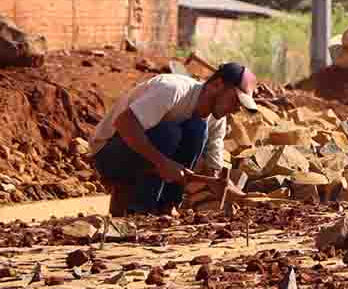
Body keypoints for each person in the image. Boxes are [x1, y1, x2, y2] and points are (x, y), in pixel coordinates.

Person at [89, 62, 258, 215]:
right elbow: (124, 123)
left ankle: (166, 207)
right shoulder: (172, 90)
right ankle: (140, 210)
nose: (236, 109)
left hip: (140, 155)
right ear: (216, 85)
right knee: (170, 132)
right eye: (235, 101)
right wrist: (162, 163)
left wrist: (233, 192)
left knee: (197, 129)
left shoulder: (216, 119)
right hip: (108, 153)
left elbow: (214, 170)